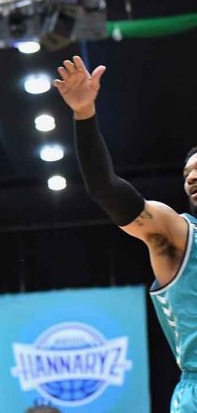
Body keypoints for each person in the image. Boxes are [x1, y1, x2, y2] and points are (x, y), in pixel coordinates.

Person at [54, 55, 197, 413]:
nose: (191, 177)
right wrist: (84, 114)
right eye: (187, 173)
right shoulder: (176, 233)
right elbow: (105, 189)